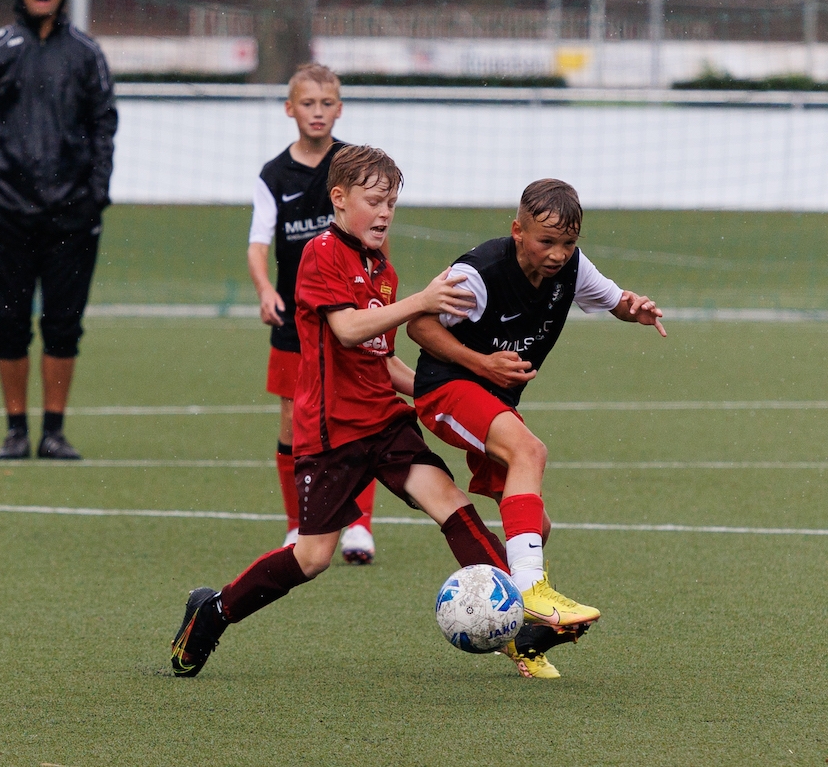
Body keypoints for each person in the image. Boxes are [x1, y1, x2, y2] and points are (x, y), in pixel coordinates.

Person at [171, 145, 513, 678]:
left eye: (392, 203)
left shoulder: (382, 269)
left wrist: (456, 386)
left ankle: (522, 619)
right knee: (312, 558)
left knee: (449, 502)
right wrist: (422, 302)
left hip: (384, 420)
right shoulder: (322, 252)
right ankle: (213, 612)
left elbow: (384, 359)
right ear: (339, 197)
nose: (384, 213)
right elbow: (348, 329)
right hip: (332, 431)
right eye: (374, 201)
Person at [407, 177, 667, 679]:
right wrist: (481, 363)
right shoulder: (479, 273)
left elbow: (614, 299)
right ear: (518, 231)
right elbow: (418, 323)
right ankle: (529, 592)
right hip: (446, 390)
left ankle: (517, 638)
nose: (558, 254)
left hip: (493, 402)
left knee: (535, 529)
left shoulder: (572, 268)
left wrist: (633, 310)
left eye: (568, 242)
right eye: (546, 241)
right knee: (530, 451)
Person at [0, 0, 118, 461]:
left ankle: (54, 432)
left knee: (64, 325)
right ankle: (15, 431)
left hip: (73, 215)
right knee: (9, 326)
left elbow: (104, 127)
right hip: (7, 213)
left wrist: (95, 194)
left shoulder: (87, 53)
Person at [247, 64, 378, 563]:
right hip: (295, 316)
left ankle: (358, 527)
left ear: (339, 109)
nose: (317, 112)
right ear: (290, 109)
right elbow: (259, 243)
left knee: (360, 414)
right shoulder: (274, 175)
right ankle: (297, 524)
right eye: (308, 103)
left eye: (326, 103)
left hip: (349, 312)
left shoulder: (353, 165)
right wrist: (265, 289)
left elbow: (374, 229)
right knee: (293, 422)